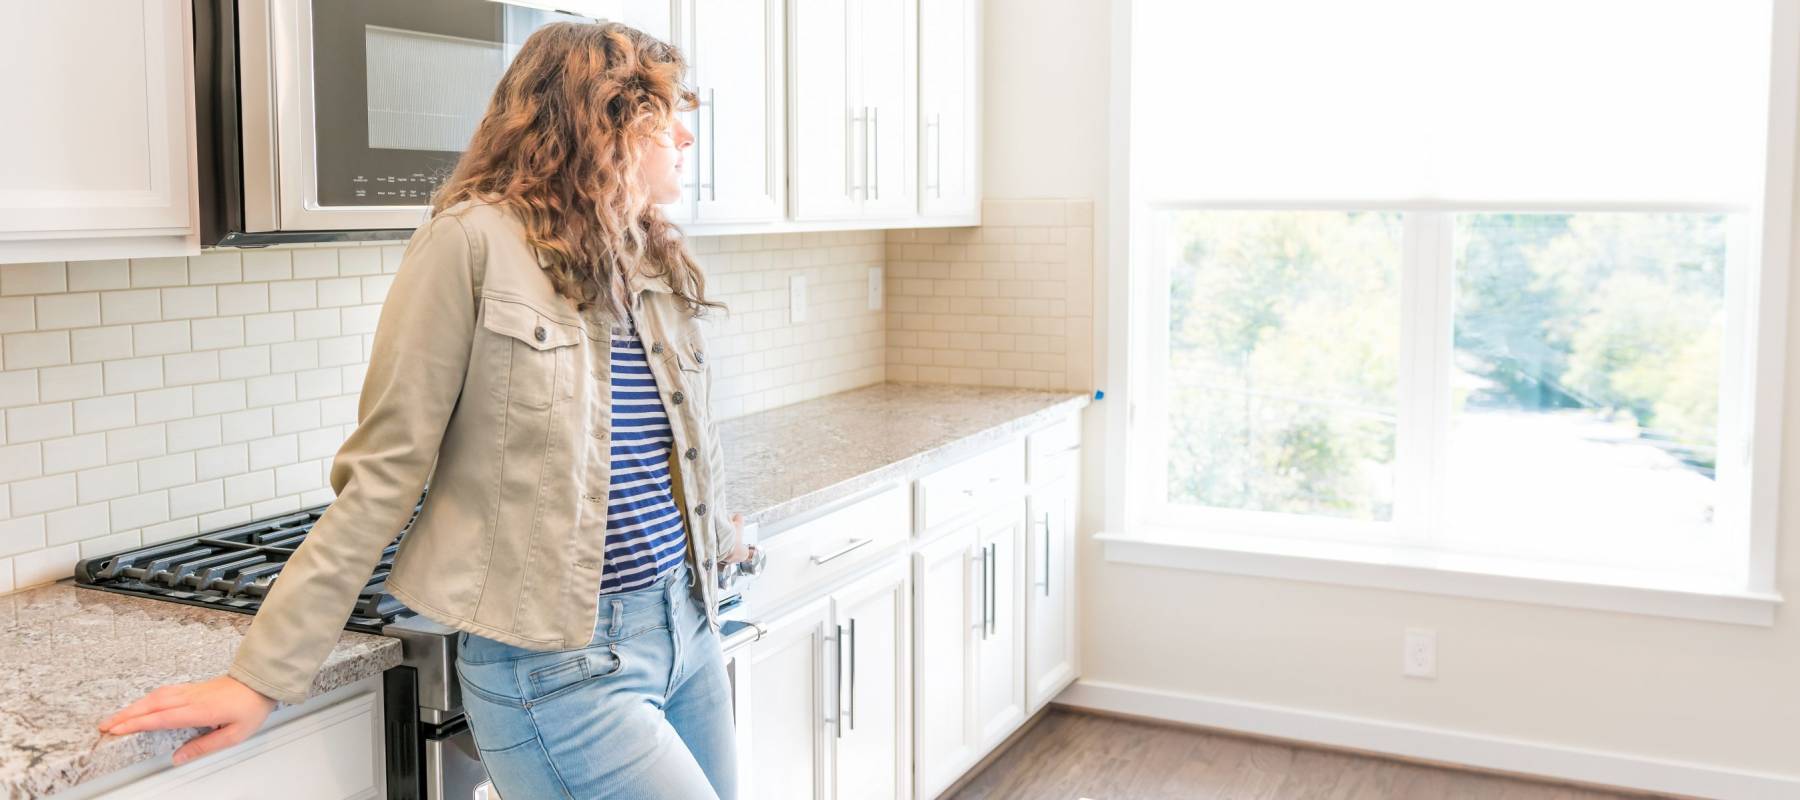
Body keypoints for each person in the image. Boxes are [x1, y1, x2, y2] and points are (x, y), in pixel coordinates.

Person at [96, 20, 750, 799]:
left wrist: (710, 534)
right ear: (600, 117)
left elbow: (650, 452)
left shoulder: (647, 253)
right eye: (663, 110)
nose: (684, 131)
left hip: (686, 623)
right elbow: (384, 473)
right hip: (563, 667)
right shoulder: (469, 243)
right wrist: (260, 677)